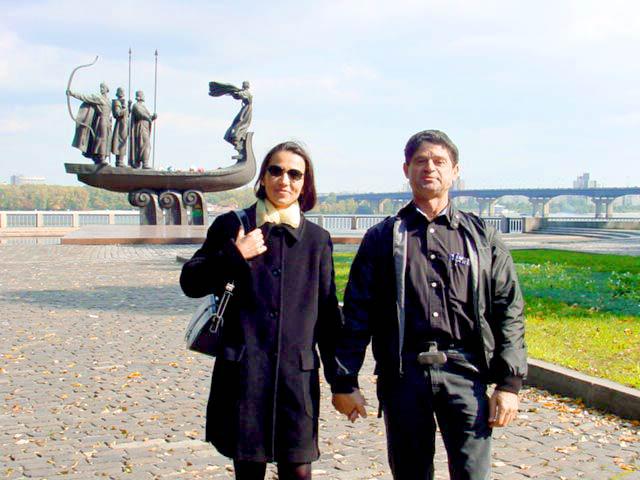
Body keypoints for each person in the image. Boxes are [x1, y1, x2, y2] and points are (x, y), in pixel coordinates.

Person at [330, 130, 527, 479]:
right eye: (420, 161)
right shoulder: (383, 238)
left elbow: (508, 309)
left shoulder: (481, 238)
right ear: (406, 169)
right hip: (404, 375)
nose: (429, 168)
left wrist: (509, 384)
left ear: (455, 171)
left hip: (466, 372)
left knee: (473, 473)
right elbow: (358, 313)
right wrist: (345, 382)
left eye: (439, 161)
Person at [180, 141, 342, 480]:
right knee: (248, 471)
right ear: (264, 177)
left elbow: (328, 317)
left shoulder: (317, 240)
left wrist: (343, 382)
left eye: (295, 174)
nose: (285, 180)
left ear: (305, 184)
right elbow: (191, 283)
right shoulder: (232, 225)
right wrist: (234, 254)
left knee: (299, 472)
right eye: (276, 170)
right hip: (245, 374)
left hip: (296, 379)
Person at [68, 82, 112, 165]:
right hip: (102, 120)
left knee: (107, 139)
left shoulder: (109, 101)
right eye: (101, 87)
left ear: (107, 89)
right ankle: (100, 157)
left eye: (103, 87)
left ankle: (100, 157)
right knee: (102, 138)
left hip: (108, 122)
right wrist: (72, 93)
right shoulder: (98, 98)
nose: (101, 89)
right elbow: (85, 97)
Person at [130, 90, 157, 169]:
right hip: (140, 127)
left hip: (145, 127)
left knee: (144, 144)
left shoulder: (143, 106)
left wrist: (152, 117)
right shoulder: (136, 105)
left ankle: (143, 162)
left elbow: (147, 117)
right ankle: (144, 162)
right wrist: (149, 117)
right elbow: (141, 114)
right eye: (142, 95)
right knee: (144, 144)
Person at [111, 87, 129, 167]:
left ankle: (121, 160)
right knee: (119, 141)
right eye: (121, 91)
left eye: (123, 91)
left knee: (123, 142)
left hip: (124, 124)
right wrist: (125, 109)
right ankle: (119, 161)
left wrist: (129, 106)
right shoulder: (117, 102)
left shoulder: (123, 102)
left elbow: (127, 114)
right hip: (120, 125)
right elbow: (117, 114)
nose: (122, 93)